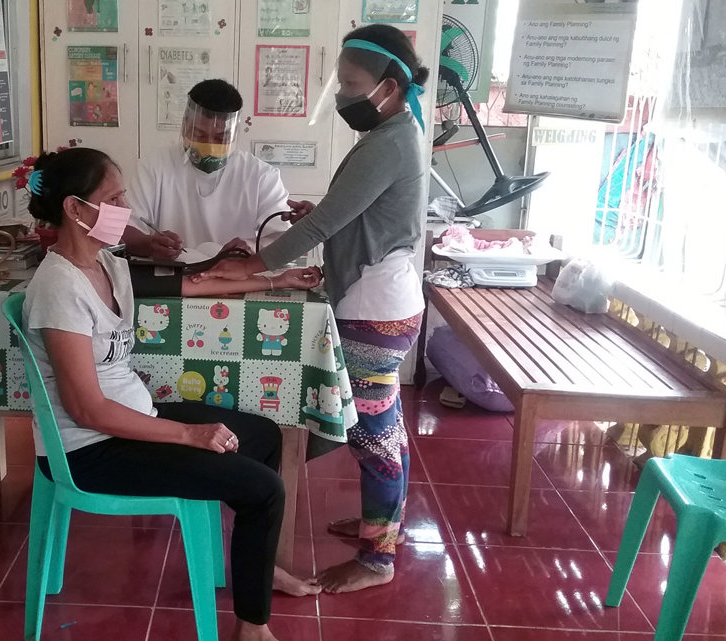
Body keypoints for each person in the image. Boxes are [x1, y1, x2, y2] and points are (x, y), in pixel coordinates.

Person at [23, 147, 320, 641]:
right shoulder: (59, 288)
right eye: (114, 198)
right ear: (76, 209)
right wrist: (186, 434)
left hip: (130, 420)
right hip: (90, 449)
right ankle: (253, 625)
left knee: (265, 435)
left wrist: (277, 278)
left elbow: (191, 284)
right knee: (263, 490)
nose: (125, 208)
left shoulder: (109, 264)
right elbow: (86, 408)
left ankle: (256, 569)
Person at [192, 24, 430, 593]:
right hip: (378, 298)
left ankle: (378, 558)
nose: (344, 95)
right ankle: (382, 525)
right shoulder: (392, 133)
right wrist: (313, 212)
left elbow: (329, 225)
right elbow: (350, 212)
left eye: (352, 84)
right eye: (341, 83)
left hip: (377, 308)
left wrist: (255, 266)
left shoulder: (392, 140)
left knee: (373, 432)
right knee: (382, 425)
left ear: (390, 86)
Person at [123, 79, 290, 261]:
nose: (209, 146)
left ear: (235, 133)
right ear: (185, 125)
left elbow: (284, 238)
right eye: (199, 135)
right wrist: (149, 244)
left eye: (221, 138)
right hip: (173, 277)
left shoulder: (261, 176)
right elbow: (125, 226)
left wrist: (249, 246)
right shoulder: (154, 166)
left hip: (235, 276)